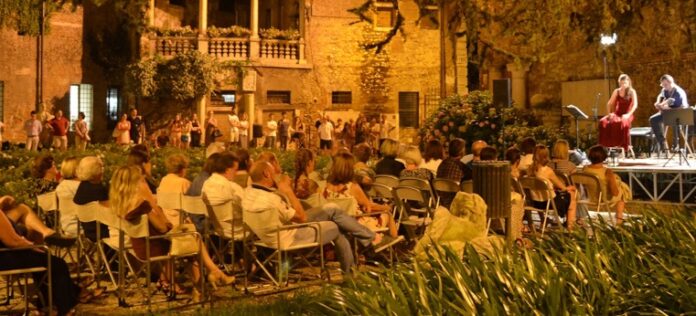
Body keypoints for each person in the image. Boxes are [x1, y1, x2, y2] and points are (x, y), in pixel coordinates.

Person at [110, 166, 234, 299]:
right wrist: (153, 206)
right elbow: (162, 228)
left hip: (140, 246)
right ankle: (206, 282)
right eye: (141, 180)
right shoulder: (142, 204)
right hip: (155, 247)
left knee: (189, 237)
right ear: (134, 183)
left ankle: (211, 276)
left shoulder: (119, 204)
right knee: (192, 239)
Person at [243, 160, 378, 274]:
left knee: (332, 208)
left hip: (271, 234)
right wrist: (288, 191)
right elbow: (302, 218)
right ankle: (351, 272)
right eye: (274, 172)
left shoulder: (248, 193)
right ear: (266, 174)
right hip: (288, 236)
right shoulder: (271, 200)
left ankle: (367, 237)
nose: (276, 175)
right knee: (336, 227)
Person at [0, 208, 81, 315]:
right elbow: (13, 241)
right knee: (56, 263)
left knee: (43, 261)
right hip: (4, 258)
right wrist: (33, 246)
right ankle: (65, 308)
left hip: (5, 255)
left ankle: (47, 304)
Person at [322, 152, 401, 241]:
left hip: (337, 224)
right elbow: (370, 207)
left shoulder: (326, 187)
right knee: (387, 213)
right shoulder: (352, 187)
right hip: (356, 225)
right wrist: (386, 207)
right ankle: (394, 243)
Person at [527, 145, 578, 230]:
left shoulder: (529, 170)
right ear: (546, 156)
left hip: (535, 202)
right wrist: (570, 187)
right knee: (572, 196)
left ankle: (549, 221)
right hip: (548, 203)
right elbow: (562, 187)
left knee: (566, 196)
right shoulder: (548, 171)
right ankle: (570, 228)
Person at [582, 145, 627, 224]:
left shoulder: (585, 169)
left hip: (588, 197)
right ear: (604, 157)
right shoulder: (607, 172)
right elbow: (615, 192)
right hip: (603, 198)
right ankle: (619, 218)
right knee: (623, 191)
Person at [73, 156, 110, 243]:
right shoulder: (98, 190)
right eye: (101, 167)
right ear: (96, 171)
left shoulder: (82, 186)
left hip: (88, 231)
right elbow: (110, 212)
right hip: (102, 232)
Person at [650, 74, 690, 152]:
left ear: (671, 82)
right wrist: (658, 103)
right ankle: (662, 142)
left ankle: (675, 146)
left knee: (675, 122)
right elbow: (660, 96)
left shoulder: (678, 92)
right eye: (663, 85)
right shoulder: (665, 90)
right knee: (653, 119)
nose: (664, 87)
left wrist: (664, 106)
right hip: (669, 113)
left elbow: (678, 104)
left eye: (665, 84)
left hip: (680, 113)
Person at [599, 74, 638, 152]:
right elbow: (609, 104)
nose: (623, 85)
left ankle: (622, 145)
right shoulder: (617, 91)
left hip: (627, 114)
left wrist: (628, 115)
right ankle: (608, 144)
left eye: (625, 83)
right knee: (603, 121)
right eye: (621, 83)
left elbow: (635, 105)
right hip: (617, 114)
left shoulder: (632, 91)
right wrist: (609, 114)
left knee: (622, 122)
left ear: (628, 82)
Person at [157, 153, 191, 225]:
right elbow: (192, 206)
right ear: (182, 169)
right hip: (181, 224)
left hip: (165, 221)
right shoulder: (184, 182)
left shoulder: (164, 180)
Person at [436, 138, 471, 208]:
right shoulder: (462, 167)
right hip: (456, 202)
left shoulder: (442, 164)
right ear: (462, 151)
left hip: (441, 201)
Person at [55, 157, 81, 236]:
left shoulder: (61, 186)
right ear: (76, 171)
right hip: (80, 227)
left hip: (65, 226)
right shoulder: (79, 187)